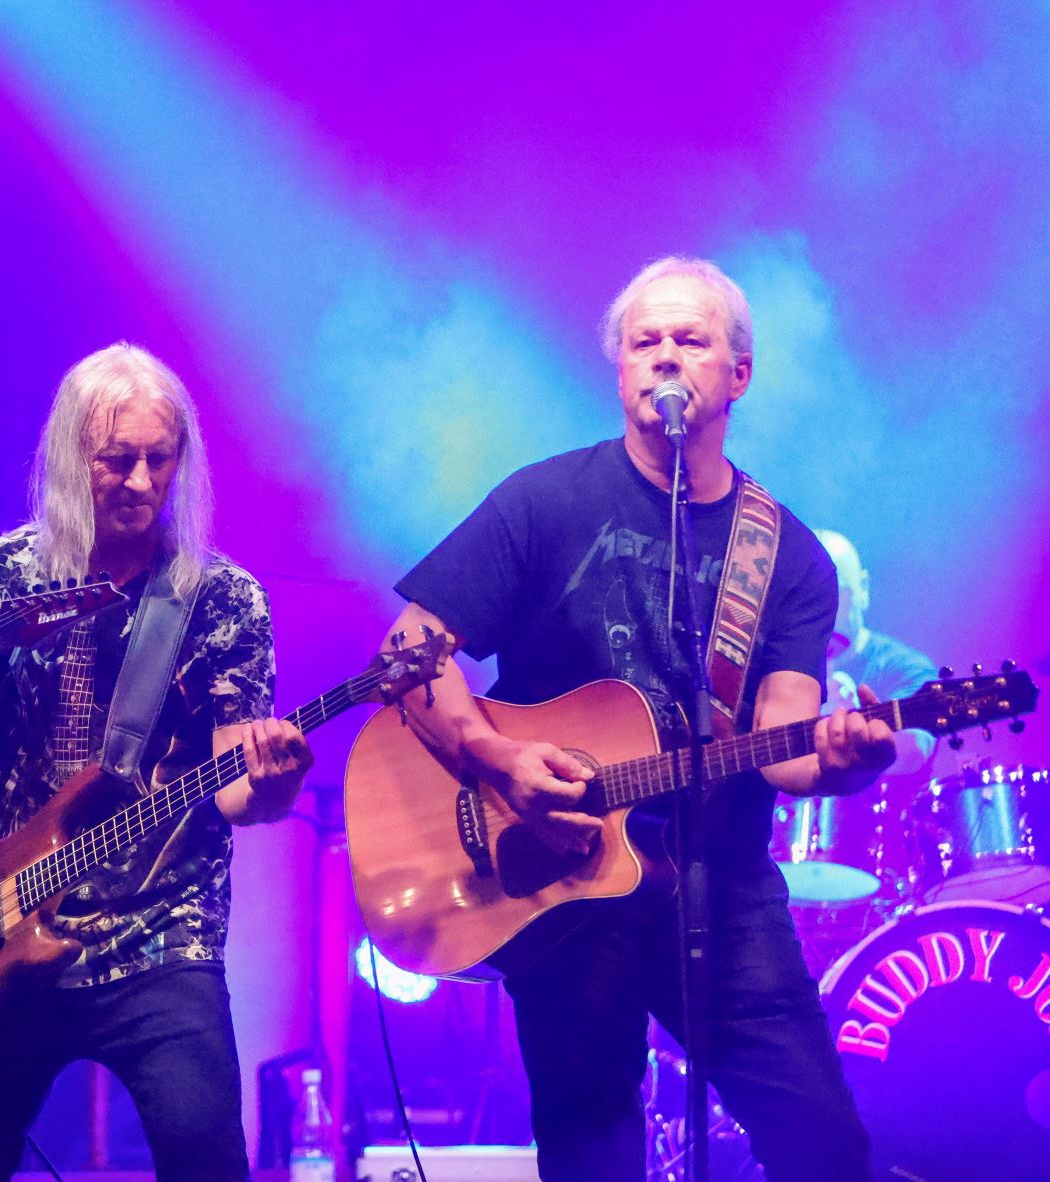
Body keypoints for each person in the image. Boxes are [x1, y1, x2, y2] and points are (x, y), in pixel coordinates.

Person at [387, 257, 895, 1181]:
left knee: (823, 1144)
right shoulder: (543, 502)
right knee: (591, 1157)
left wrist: (844, 760)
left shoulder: (786, 557)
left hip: (721, 888)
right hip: (562, 879)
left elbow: (784, 741)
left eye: (689, 340)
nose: (663, 356)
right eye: (643, 341)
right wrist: (494, 759)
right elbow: (408, 648)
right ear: (619, 370)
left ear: (737, 374)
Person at [0, 342, 314, 1181]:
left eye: (157, 460)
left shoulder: (220, 599)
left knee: (206, 1157)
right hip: (5, 916)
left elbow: (236, 792)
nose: (138, 481)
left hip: (164, 930)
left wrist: (274, 786)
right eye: (115, 459)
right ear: (70, 455)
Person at [813, 528, 938, 776]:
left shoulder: (905, 668)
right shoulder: (772, 670)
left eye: (834, 590)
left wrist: (856, 722)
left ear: (863, 589)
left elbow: (915, 751)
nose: (819, 608)